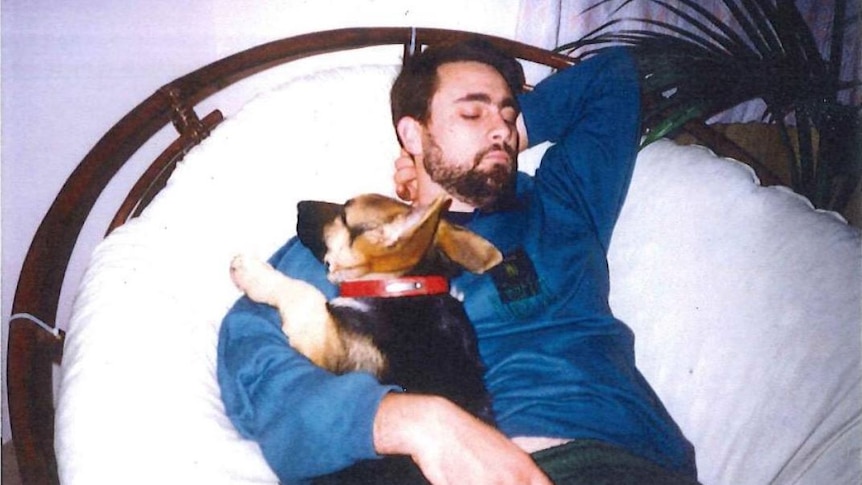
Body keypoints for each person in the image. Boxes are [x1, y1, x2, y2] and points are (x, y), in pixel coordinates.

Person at [218, 38, 698, 484]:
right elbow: (249, 349)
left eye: (509, 117)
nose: (500, 130)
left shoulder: (561, 206)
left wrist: (491, 143)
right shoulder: (362, 237)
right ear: (412, 133)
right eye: (471, 113)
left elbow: (613, 77)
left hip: (608, 460)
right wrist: (407, 422)